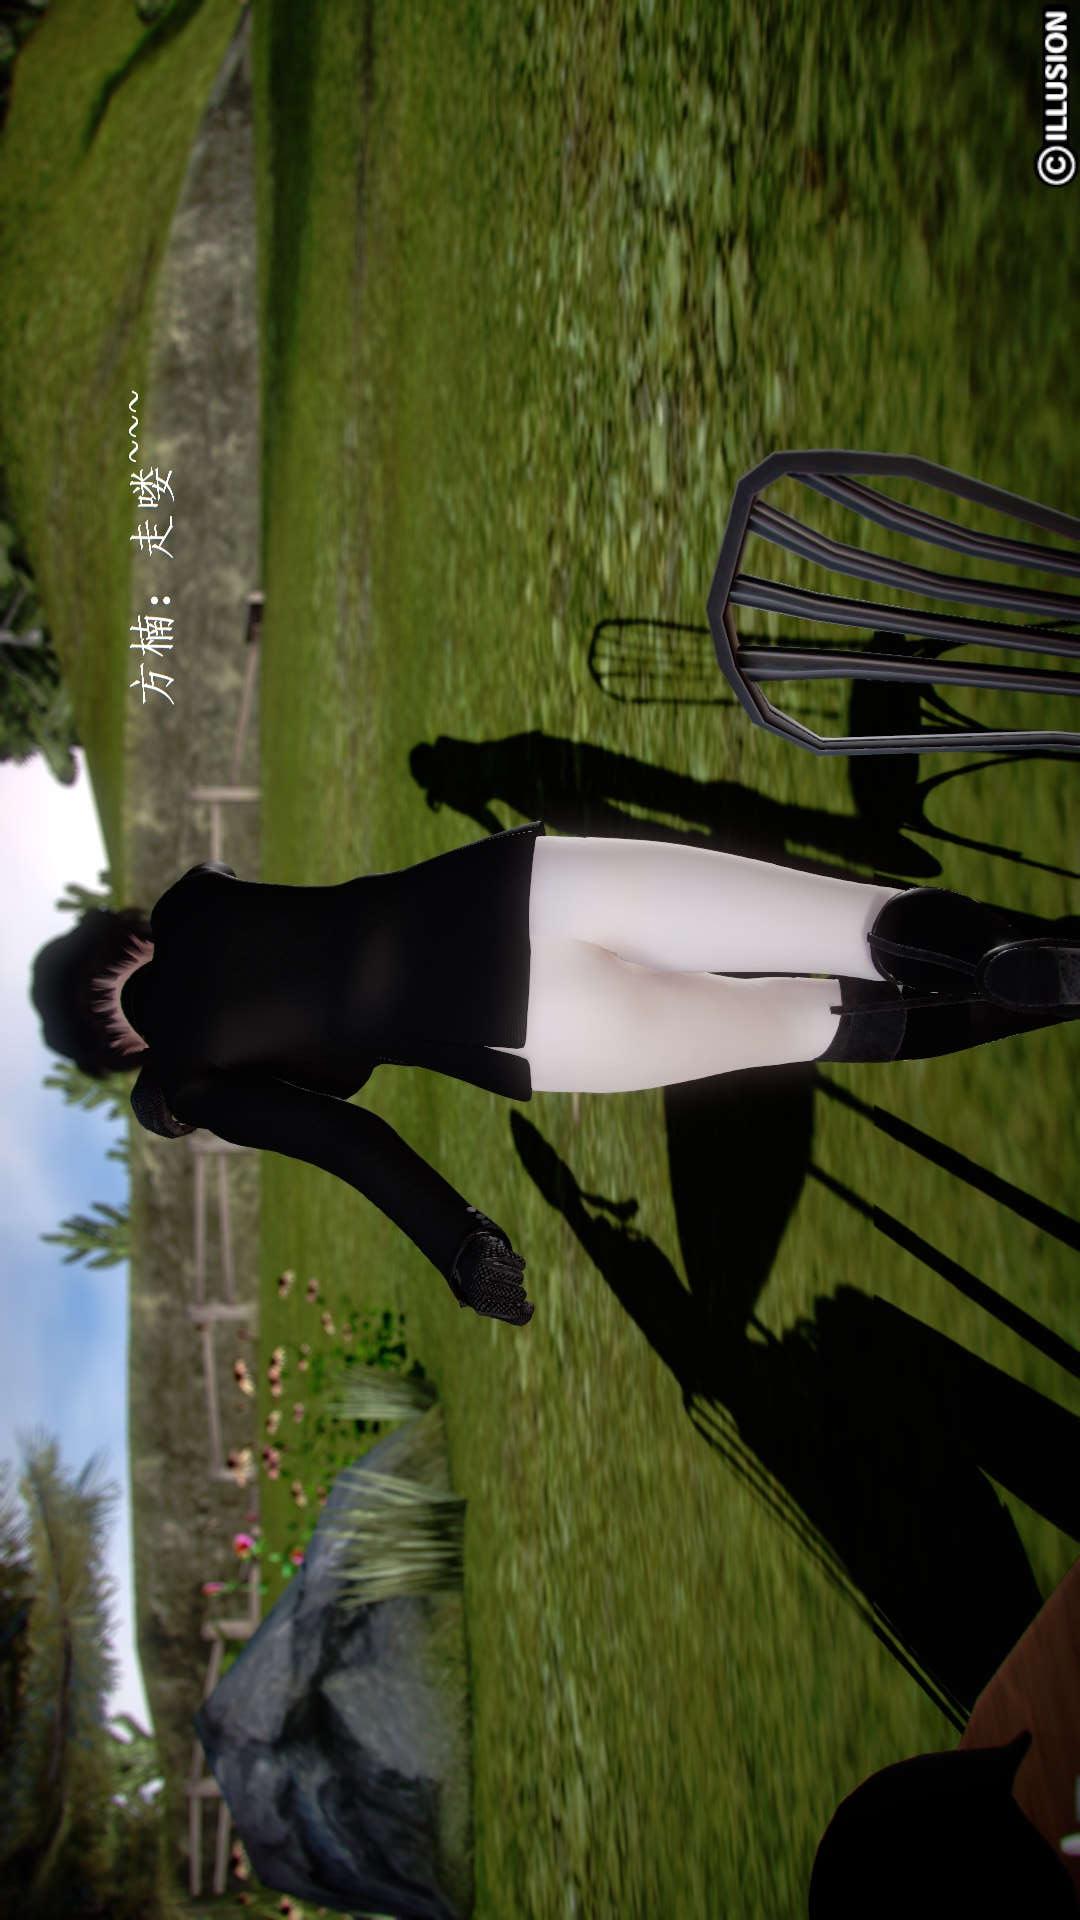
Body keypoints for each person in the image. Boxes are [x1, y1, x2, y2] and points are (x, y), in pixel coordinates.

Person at [30, 825, 1080, 1328]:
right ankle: (1028, 950)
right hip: (519, 887)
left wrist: (463, 1247)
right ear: (113, 937)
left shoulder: (195, 1081)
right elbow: (202, 888)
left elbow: (348, 1139)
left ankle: (1044, 988)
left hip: (535, 1033)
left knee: (809, 1022)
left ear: (111, 1053)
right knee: (851, 923)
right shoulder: (193, 909)